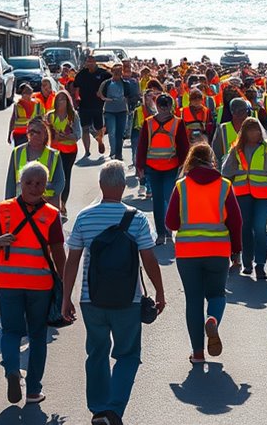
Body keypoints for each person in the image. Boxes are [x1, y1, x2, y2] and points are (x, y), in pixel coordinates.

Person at [61, 162, 167, 425]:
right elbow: (149, 258)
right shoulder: (138, 219)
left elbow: (72, 260)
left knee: (96, 352)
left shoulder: (84, 217)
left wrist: (66, 298)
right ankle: (113, 410)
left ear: (100, 185)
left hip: (91, 299)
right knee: (128, 354)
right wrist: (160, 291)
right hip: (127, 301)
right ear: (122, 186)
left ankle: (98, 408)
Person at [0, 162, 66, 406]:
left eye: (39, 183)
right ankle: (32, 391)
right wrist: (66, 287)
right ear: (21, 183)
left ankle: (12, 370)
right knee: (38, 335)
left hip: (8, 282)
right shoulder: (51, 213)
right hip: (39, 285)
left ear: (46, 186)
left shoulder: (6, 209)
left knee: (11, 331)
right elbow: (59, 255)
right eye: (29, 182)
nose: (33, 187)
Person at [166, 144, 243, 363]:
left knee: (193, 300)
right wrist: (236, 249)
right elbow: (236, 222)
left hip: (188, 252)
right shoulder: (224, 186)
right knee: (217, 295)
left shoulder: (181, 186)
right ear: (212, 161)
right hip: (218, 250)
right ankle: (213, 320)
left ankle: (198, 353)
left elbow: (170, 222)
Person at [221, 117, 267, 279]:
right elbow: (226, 172)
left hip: (263, 195)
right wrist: (224, 194)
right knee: (245, 228)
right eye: (250, 130)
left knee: (260, 228)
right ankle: (247, 263)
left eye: (256, 130)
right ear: (244, 132)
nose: (254, 133)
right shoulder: (236, 148)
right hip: (241, 195)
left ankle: (260, 264)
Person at [136, 93, 191, 245]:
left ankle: (170, 229)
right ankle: (161, 233)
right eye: (161, 106)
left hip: (171, 167)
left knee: (169, 198)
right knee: (158, 202)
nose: (164, 110)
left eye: (167, 106)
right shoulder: (148, 123)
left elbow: (184, 147)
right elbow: (141, 146)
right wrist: (139, 166)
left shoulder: (178, 123)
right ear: (157, 106)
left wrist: (184, 166)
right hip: (153, 168)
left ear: (171, 106)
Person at [6, 117, 66, 206]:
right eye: (31, 132)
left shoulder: (53, 155)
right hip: (21, 205)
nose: (34, 135)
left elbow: (59, 183)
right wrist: (8, 204)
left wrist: (42, 193)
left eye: (38, 132)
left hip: (46, 204)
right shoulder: (17, 152)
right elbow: (11, 183)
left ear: (45, 134)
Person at [47, 90, 82, 215]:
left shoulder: (73, 116)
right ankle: (54, 203)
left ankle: (63, 204)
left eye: (64, 99)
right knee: (54, 178)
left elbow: (78, 134)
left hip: (69, 152)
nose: (61, 101)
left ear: (68, 101)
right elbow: (45, 134)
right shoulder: (50, 116)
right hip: (54, 152)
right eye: (59, 99)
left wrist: (65, 137)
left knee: (66, 177)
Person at [75, 54, 111, 156]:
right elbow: (76, 88)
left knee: (99, 128)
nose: (89, 63)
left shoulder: (103, 73)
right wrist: (76, 99)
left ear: (95, 62)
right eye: (87, 61)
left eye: (91, 61)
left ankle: (100, 141)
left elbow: (112, 82)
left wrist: (105, 95)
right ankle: (87, 151)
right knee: (85, 128)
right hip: (84, 105)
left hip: (98, 105)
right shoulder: (81, 74)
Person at [211, 97, 249, 163]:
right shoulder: (223, 129)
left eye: (245, 111)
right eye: (241, 112)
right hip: (228, 170)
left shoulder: (251, 127)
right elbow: (216, 153)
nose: (245, 115)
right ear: (233, 113)